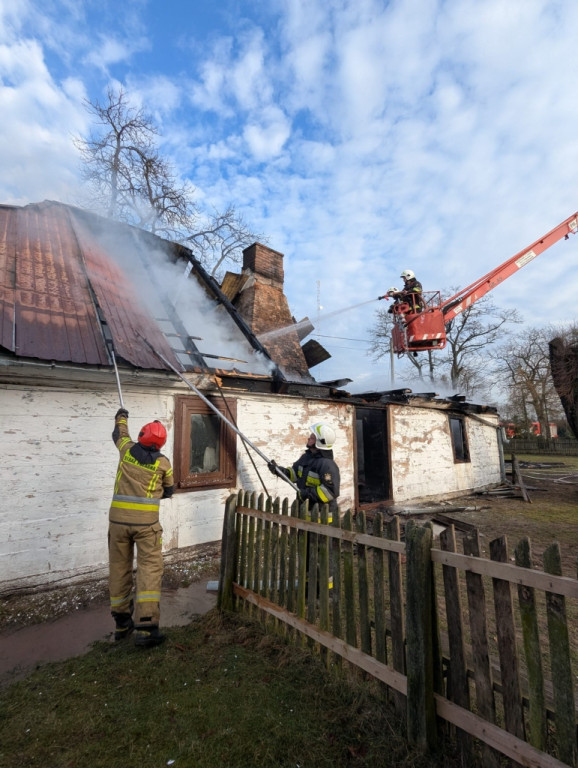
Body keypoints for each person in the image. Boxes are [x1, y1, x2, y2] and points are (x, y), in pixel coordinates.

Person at [108, 408, 174, 647]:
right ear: (161, 443)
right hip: (147, 526)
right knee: (149, 570)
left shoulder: (126, 449)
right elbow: (169, 490)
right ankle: (146, 629)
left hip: (118, 523)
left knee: (119, 568)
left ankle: (122, 624)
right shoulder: (163, 463)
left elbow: (119, 433)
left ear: (142, 434)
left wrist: (122, 416)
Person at [267, 421, 340, 518]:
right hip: (305, 513)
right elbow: (294, 474)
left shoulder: (327, 465)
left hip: (322, 518)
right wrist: (279, 471)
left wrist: (306, 494)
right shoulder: (306, 458)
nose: (309, 439)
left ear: (320, 442)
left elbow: (330, 491)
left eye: (312, 438)